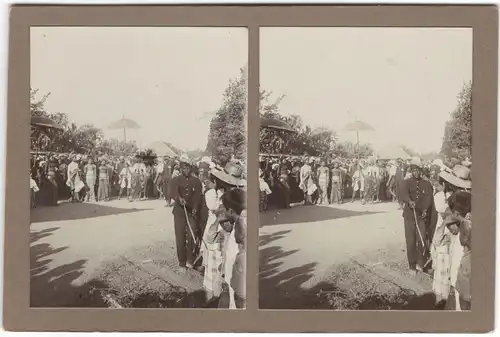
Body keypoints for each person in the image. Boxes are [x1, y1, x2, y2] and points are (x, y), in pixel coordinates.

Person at [400, 157, 434, 276]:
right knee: (411, 241)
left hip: (421, 216)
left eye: (418, 170)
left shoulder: (426, 184)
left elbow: (429, 198)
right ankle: (412, 265)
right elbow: (403, 193)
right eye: (414, 169)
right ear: (411, 170)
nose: (416, 172)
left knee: (422, 240)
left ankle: (420, 262)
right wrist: (409, 201)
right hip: (409, 216)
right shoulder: (406, 182)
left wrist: (425, 210)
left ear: (421, 170)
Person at [170, 155, 203, 270]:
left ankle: (190, 259)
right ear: (181, 168)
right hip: (179, 212)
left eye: (188, 167)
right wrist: (179, 198)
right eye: (184, 168)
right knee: (180, 236)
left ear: (191, 168)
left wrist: (195, 208)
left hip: (191, 213)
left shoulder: (197, 181)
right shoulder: (175, 180)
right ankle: (182, 262)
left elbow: (198, 196)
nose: (186, 170)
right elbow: (173, 192)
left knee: (192, 235)